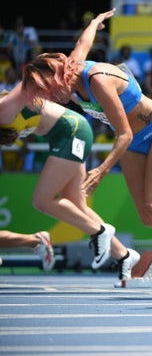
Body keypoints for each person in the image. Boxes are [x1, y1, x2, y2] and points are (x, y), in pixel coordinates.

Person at [21, 10, 152, 294]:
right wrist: (93, 23)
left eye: (50, 89)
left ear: (61, 75)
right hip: (134, 142)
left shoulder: (98, 81)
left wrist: (102, 170)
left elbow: (124, 133)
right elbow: (84, 42)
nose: (51, 97)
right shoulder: (70, 68)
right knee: (147, 217)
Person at [0, 84, 140, 282]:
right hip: (64, 136)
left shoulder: (5, 106)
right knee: (76, 204)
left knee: (42, 200)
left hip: (72, 131)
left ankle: (100, 231)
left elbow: (26, 85)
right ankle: (124, 255)